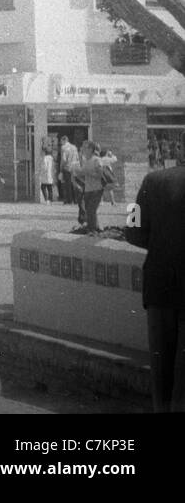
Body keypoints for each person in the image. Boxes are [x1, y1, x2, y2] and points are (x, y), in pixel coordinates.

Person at [126, 153, 185, 411]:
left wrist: (163, 245)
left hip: (159, 284)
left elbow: (132, 231)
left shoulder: (152, 180)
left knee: (161, 368)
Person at [74, 140, 108, 233]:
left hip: (97, 189)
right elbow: (85, 176)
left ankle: (92, 230)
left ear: (91, 149)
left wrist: (87, 173)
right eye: (82, 147)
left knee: (91, 210)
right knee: (89, 210)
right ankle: (96, 228)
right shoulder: (86, 161)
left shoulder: (96, 160)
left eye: (85, 147)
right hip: (88, 189)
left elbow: (100, 175)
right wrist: (79, 174)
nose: (83, 149)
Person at [59, 135, 80, 205]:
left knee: (67, 184)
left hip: (67, 167)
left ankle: (69, 200)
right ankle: (76, 200)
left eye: (61, 141)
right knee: (74, 183)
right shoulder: (74, 147)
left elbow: (64, 159)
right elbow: (77, 158)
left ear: (64, 140)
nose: (60, 142)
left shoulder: (64, 148)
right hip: (74, 167)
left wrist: (61, 168)